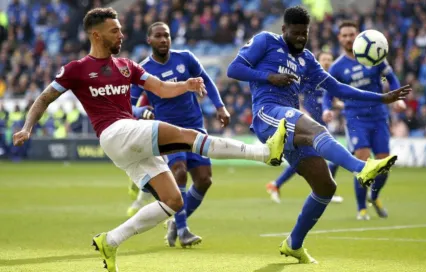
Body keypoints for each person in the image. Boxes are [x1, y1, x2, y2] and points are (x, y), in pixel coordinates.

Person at [12, 8, 287, 272]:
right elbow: (45, 97)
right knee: (189, 137)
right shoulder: (76, 69)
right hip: (115, 132)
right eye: (115, 31)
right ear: (96, 35)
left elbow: (161, 88)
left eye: (120, 29)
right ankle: (264, 154)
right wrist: (27, 127)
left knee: (173, 200)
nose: (121, 35)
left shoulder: (126, 65)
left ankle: (110, 241)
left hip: (124, 142)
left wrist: (187, 85)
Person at [227, 5, 410, 264]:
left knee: (326, 186)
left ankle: (294, 244)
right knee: (316, 129)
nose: (301, 37)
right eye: (296, 33)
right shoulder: (265, 41)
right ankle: (361, 168)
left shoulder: (307, 60)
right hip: (267, 116)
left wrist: (381, 97)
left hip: (291, 125)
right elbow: (233, 69)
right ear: (284, 30)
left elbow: (338, 88)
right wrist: (269, 77)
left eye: (305, 33)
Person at [127, 22, 230, 248]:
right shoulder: (142, 70)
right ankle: (183, 230)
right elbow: (128, 106)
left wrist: (220, 106)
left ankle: (176, 222)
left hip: (195, 126)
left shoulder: (185, 58)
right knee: (180, 172)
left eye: (167, 35)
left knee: (204, 180)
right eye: (158, 36)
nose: (163, 39)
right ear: (149, 40)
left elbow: (207, 80)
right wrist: (141, 111)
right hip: (166, 130)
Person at [322, 21, 406, 220]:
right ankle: (361, 209)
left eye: (352, 34)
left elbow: (391, 78)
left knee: (384, 163)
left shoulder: (376, 56)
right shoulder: (337, 67)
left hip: (379, 116)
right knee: (363, 161)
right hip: (355, 118)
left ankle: (374, 196)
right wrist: (326, 109)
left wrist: (397, 98)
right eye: (344, 35)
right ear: (339, 39)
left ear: (358, 35)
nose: (349, 38)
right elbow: (327, 94)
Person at [265, 51, 344, 204]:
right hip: (307, 124)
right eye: (324, 59)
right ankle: (325, 191)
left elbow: (328, 101)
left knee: (309, 159)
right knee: (326, 157)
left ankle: (277, 184)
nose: (327, 62)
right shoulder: (311, 78)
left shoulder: (329, 81)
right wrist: (302, 111)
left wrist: (339, 106)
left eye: (329, 59)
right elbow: (296, 94)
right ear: (319, 61)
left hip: (322, 126)